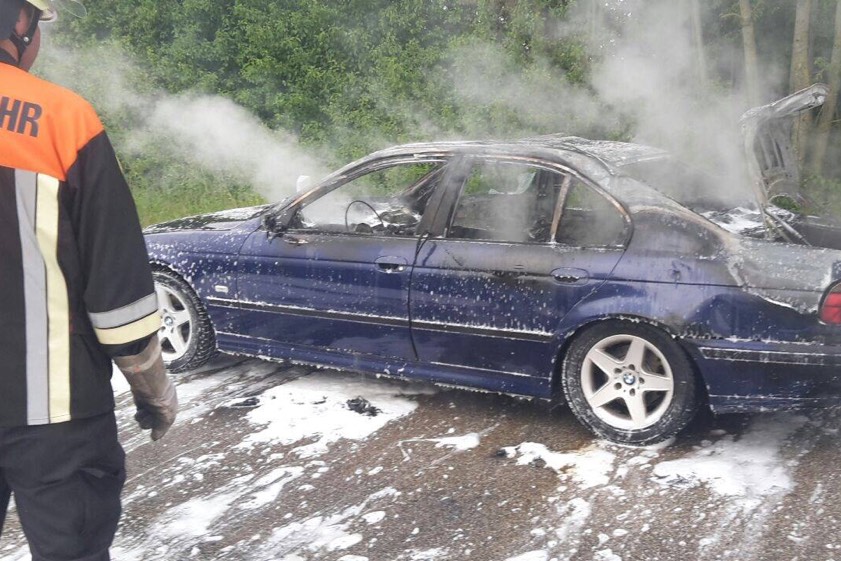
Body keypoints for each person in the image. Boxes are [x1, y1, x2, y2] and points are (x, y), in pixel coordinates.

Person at [0, 1, 178, 559]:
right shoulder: (62, 118)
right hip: (55, 412)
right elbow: (119, 292)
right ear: (20, 23)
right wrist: (154, 392)